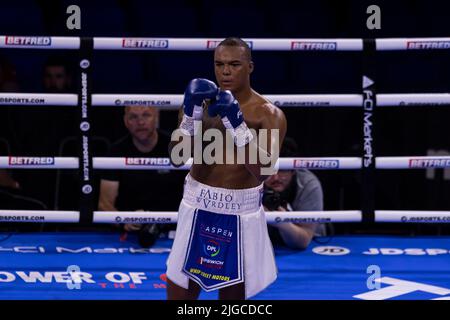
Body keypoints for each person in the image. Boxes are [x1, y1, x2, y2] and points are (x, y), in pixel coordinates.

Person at [166, 37, 287, 300]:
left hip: (240, 213)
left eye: (234, 64)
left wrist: (237, 125)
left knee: (232, 300)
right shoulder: (201, 101)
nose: (225, 71)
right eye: (219, 64)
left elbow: (264, 171)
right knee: (180, 298)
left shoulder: (268, 114)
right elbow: (177, 157)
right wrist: (189, 116)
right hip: (197, 204)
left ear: (250, 67)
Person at [98, 106, 183, 246]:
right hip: (128, 234)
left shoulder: (175, 148)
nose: (140, 122)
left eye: (146, 115)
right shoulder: (116, 151)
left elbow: (193, 195)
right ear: (125, 121)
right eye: (133, 117)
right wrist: (123, 221)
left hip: (174, 226)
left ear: (156, 118)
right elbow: (104, 204)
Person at [263, 137, 326, 250]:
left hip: (311, 246)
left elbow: (303, 241)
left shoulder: (308, 185)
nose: (275, 177)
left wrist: (279, 219)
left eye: (282, 169)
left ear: (293, 170)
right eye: (269, 169)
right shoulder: (252, 181)